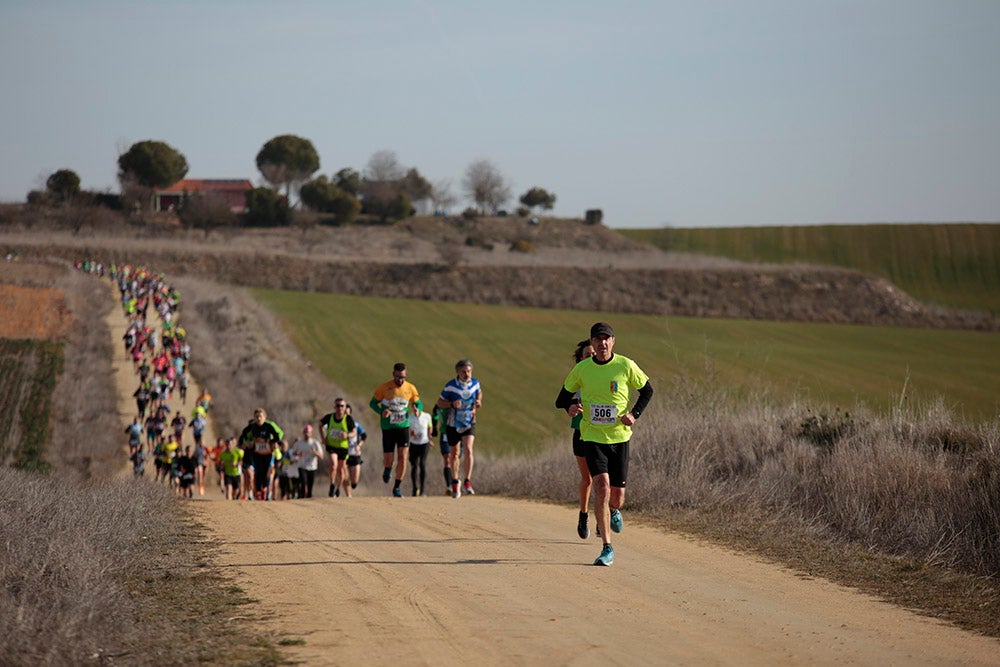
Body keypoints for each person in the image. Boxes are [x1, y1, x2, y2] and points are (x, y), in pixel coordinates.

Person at [555, 322, 654, 567]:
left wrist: (634, 414)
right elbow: (561, 398)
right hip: (592, 436)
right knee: (601, 485)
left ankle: (614, 510)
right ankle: (607, 547)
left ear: (613, 342)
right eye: (597, 340)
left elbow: (648, 390)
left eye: (606, 339)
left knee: (617, 497)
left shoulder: (625, 365)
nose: (602, 344)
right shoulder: (583, 369)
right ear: (592, 342)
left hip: (620, 437)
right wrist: (570, 407)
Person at [369, 363, 422, 498]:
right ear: (393, 374)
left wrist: (417, 409)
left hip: (403, 426)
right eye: (398, 377)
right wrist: (382, 411)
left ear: (406, 375)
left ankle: (397, 487)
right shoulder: (384, 388)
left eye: (403, 377)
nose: (400, 380)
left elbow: (418, 403)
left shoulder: (410, 388)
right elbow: (373, 403)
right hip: (388, 427)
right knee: (389, 459)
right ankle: (387, 469)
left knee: (403, 457)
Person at [436, 359, 482, 498]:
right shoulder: (450, 386)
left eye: (468, 371)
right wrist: (451, 404)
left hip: (469, 422)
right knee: (454, 454)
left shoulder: (475, 383)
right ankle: (455, 482)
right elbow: (439, 402)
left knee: (468, 449)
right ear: (458, 372)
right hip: (453, 424)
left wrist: (479, 400)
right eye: (463, 371)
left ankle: (467, 481)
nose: (466, 374)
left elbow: (479, 392)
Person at [566, 340, 596, 539]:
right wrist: (571, 408)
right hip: (582, 434)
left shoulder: (609, 375)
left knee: (606, 478)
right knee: (589, 479)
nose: (592, 357)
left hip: (605, 435)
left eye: (594, 354)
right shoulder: (576, 378)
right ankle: (584, 515)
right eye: (587, 355)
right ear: (580, 359)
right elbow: (564, 401)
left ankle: (606, 514)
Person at [239, 408, 284, 501]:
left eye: (260, 416)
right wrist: (248, 442)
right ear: (254, 418)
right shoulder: (253, 426)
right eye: (257, 417)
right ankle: (258, 492)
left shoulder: (269, 425)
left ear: (264, 417)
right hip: (257, 452)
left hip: (267, 452)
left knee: (266, 472)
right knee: (258, 472)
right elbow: (244, 433)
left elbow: (278, 435)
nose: (259, 419)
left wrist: (272, 442)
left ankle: (266, 491)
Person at [319, 399, 357, 498]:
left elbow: (354, 432)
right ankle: (332, 484)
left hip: (343, 448)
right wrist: (323, 438)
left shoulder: (348, 419)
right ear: (334, 407)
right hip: (331, 446)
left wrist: (347, 435)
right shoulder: (329, 417)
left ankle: (338, 488)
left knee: (341, 470)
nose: (340, 408)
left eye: (342, 406)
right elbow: (320, 424)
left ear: (345, 408)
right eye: (338, 406)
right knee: (333, 465)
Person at [291, 425, 324, 499]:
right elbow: (293, 453)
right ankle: (302, 498)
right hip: (302, 466)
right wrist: (298, 454)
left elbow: (322, 456)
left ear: (311, 433)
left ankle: (309, 499)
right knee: (303, 483)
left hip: (312, 467)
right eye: (305, 432)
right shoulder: (299, 443)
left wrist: (315, 452)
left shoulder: (315, 443)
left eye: (308, 432)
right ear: (303, 433)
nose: (306, 434)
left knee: (310, 486)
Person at [407, 404, 433, 496]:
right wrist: (410, 433)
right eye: (413, 408)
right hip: (413, 444)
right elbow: (406, 429)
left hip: (424, 443)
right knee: (414, 465)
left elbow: (430, 427)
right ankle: (415, 488)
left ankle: (422, 489)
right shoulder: (409, 417)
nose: (415, 410)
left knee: (422, 464)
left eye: (416, 408)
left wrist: (430, 438)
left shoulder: (427, 416)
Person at [431, 404, 453, 495]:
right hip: (445, 434)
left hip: (457, 433)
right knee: (447, 458)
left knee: (455, 459)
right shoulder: (439, 405)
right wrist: (435, 427)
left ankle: (455, 481)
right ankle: (449, 485)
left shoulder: (456, 402)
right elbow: (435, 413)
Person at [345, 405, 366, 492]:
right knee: (344, 475)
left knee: (354, 480)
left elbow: (364, 436)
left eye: (347, 413)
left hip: (355, 453)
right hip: (344, 453)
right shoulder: (339, 424)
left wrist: (359, 445)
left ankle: (353, 484)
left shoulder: (356, 425)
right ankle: (348, 494)